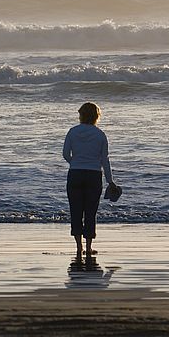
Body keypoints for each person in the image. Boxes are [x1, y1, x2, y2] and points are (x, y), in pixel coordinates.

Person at [62, 102, 119, 256]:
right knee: (90, 212)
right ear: (96, 116)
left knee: (75, 210)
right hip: (94, 175)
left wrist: (74, 163)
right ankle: (88, 247)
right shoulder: (100, 134)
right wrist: (110, 181)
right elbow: (105, 160)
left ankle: (78, 247)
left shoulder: (72, 132)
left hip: (75, 174)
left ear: (81, 115)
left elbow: (66, 154)